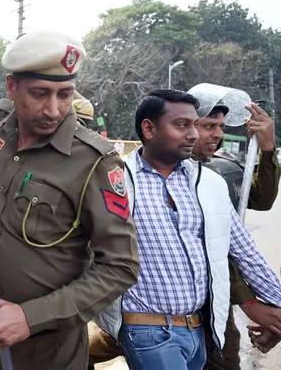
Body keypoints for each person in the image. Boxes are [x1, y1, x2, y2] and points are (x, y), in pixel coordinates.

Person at [0, 30, 139, 370]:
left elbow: (120, 266)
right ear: (11, 88)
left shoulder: (95, 162)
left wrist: (29, 317)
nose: (53, 109)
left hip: (47, 350)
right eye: (39, 94)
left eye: (65, 94)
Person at [94, 89, 281, 370]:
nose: (194, 135)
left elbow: (245, 252)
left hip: (198, 326)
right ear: (149, 128)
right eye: (184, 126)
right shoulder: (117, 182)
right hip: (147, 329)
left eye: (196, 125)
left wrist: (277, 304)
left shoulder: (211, 182)